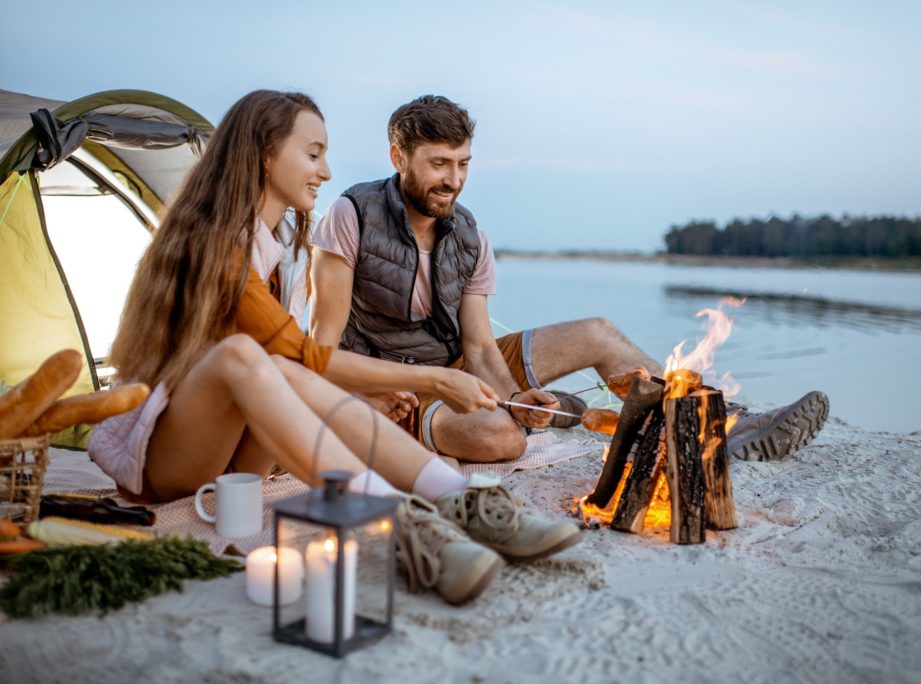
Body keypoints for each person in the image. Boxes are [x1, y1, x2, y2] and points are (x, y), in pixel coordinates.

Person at [87, 90, 581, 606]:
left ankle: (456, 499)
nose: (325, 172)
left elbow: (297, 365)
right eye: (313, 153)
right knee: (248, 356)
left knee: (277, 366)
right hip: (168, 462)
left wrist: (385, 388)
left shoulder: (279, 247)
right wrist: (432, 378)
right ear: (264, 154)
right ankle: (400, 521)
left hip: (237, 461)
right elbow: (304, 353)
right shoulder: (216, 243)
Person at [310, 95, 829, 463]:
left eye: (463, 163)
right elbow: (323, 350)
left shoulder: (471, 237)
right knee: (502, 442)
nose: (454, 180)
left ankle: (718, 424)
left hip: (461, 366)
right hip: (390, 390)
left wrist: (518, 396)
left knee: (598, 333)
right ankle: (496, 422)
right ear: (399, 158)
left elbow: (481, 348)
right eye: (439, 164)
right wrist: (436, 391)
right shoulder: (351, 215)